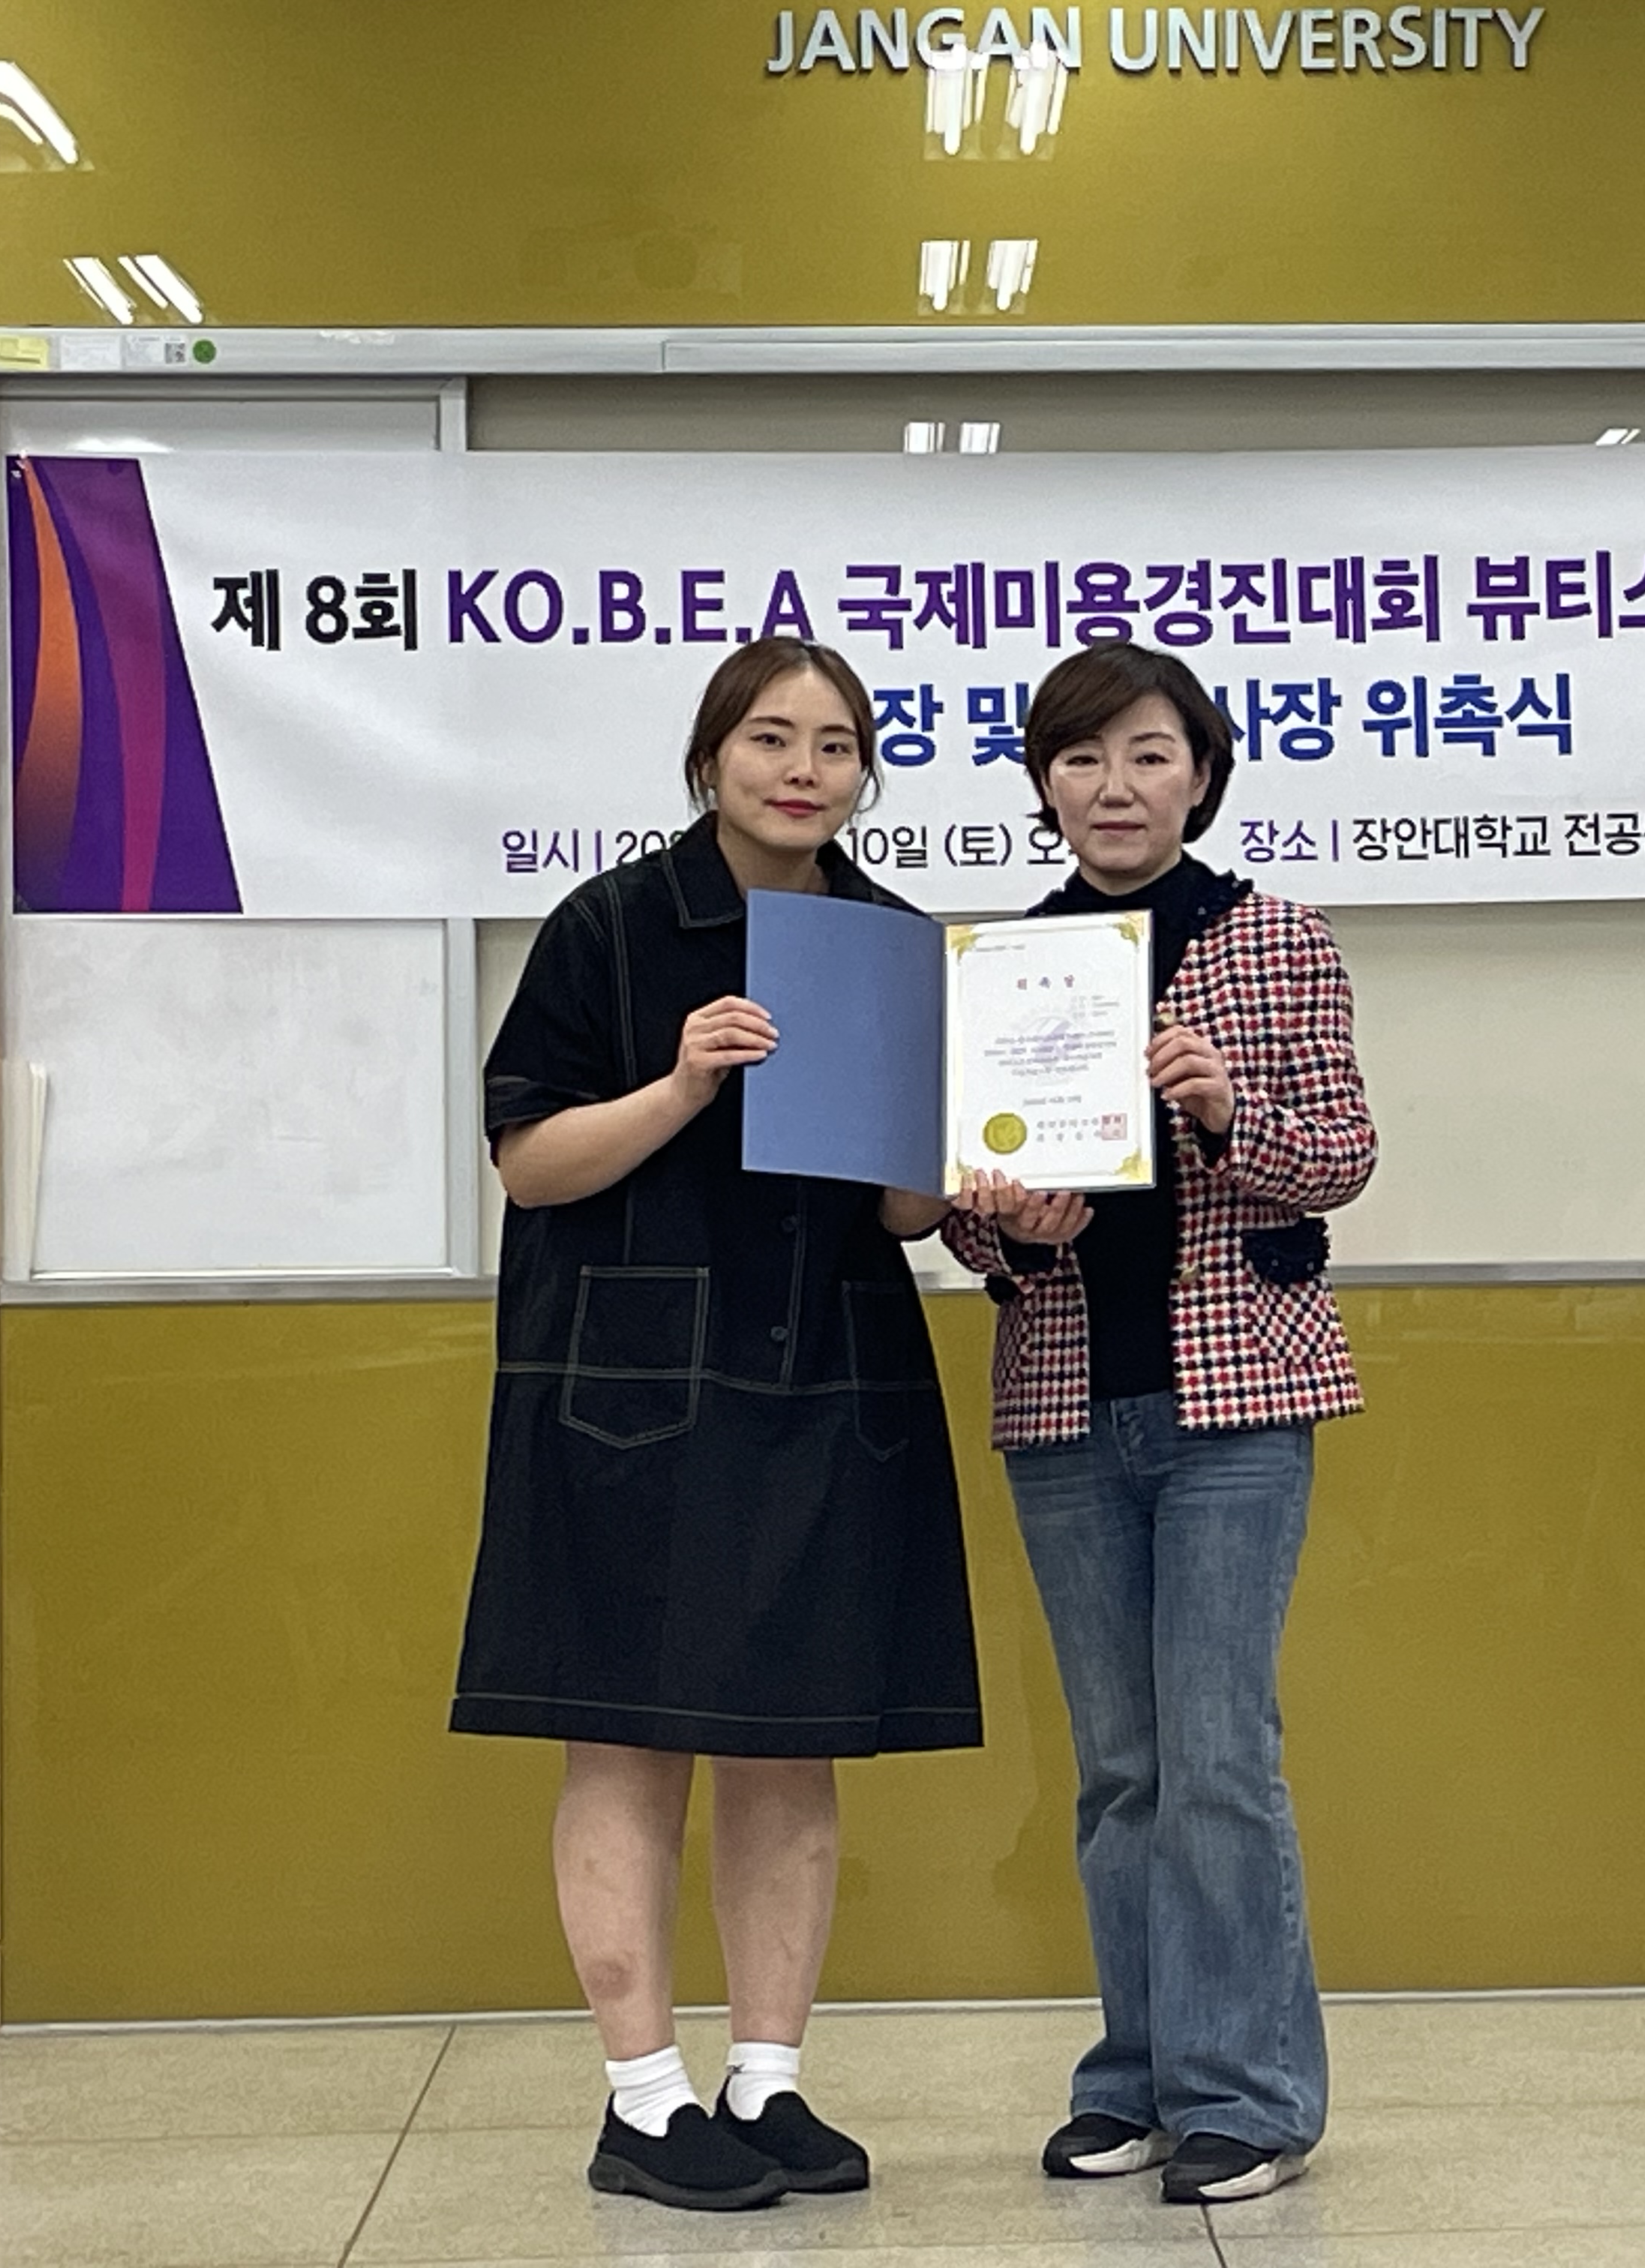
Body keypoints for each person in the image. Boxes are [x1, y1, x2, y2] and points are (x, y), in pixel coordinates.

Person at [451, 638, 981, 2212]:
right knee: (626, 1735)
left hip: (828, 1379)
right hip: (631, 1394)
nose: (802, 770)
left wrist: (964, 1151)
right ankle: (643, 2098)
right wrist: (683, 1083)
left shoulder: (894, 945)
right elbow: (530, 1164)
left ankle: (766, 2081)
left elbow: (901, 1210)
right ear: (710, 759)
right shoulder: (611, 925)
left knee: (792, 1741)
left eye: (835, 744)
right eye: (769, 738)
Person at [949, 640, 1376, 2205]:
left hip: (1239, 1402)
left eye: (1146, 755)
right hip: (1065, 1401)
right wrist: (1005, 1224)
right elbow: (966, 1219)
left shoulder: (1276, 937)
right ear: (1043, 786)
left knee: (1217, 1757)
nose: (1113, 787)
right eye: (1080, 759)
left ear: (1201, 775)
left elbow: (1341, 1157)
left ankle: (1246, 2097)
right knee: (1121, 1767)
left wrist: (1223, 1107)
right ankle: (1132, 2079)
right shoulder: (1004, 964)